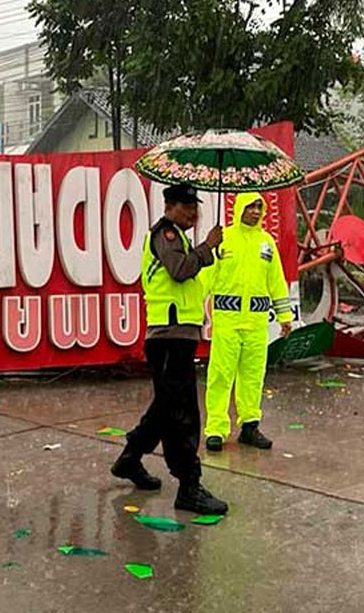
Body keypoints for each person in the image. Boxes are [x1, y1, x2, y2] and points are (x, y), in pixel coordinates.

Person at [111, 182, 228, 515]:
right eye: (186, 207)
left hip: (180, 335)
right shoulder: (167, 234)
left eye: (196, 208)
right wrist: (207, 248)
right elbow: (180, 271)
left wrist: (206, 252)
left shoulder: (181, 236)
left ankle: (129, 460)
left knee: (166, 408)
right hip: (168, 336)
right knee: (182, 414)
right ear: (170, 207)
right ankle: (189, 486)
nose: (193, 213)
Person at [202, 193, 293, 452]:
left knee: (253, 376)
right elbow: (206, 277)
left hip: (256, 322)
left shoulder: (266, 243)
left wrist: (285, 317)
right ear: (239, 208)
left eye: (259, 207)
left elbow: (276, 281)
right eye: (251, 206)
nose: (255, 211)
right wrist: (195, 309)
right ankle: (216, 429)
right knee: (220, 375)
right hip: (227, 321)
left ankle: (249, 426)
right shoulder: (223, 239)